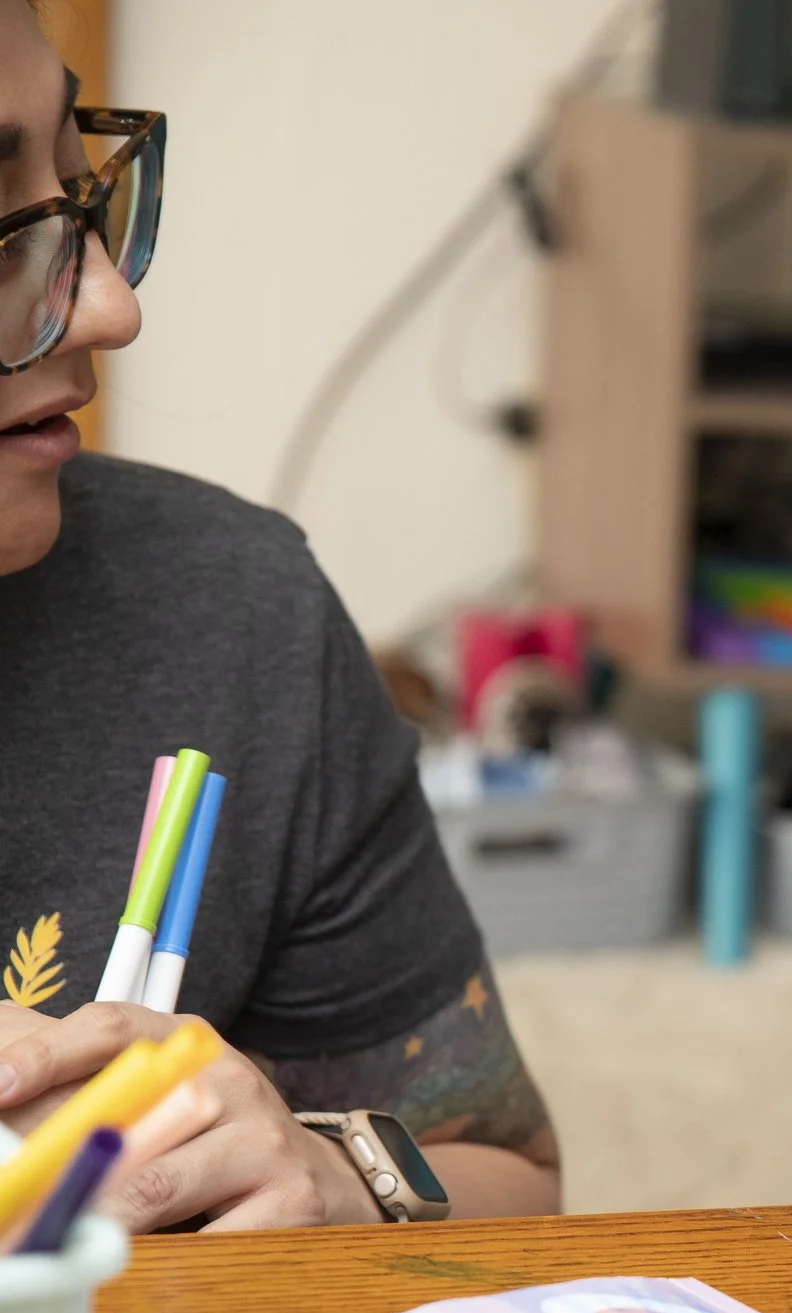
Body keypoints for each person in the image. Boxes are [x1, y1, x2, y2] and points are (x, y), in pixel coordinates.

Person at [0, 2, 559, 1228]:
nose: (107, 309)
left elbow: (513, 1181)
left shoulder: (231, 613)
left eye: (81, 194)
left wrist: (333, 1177)